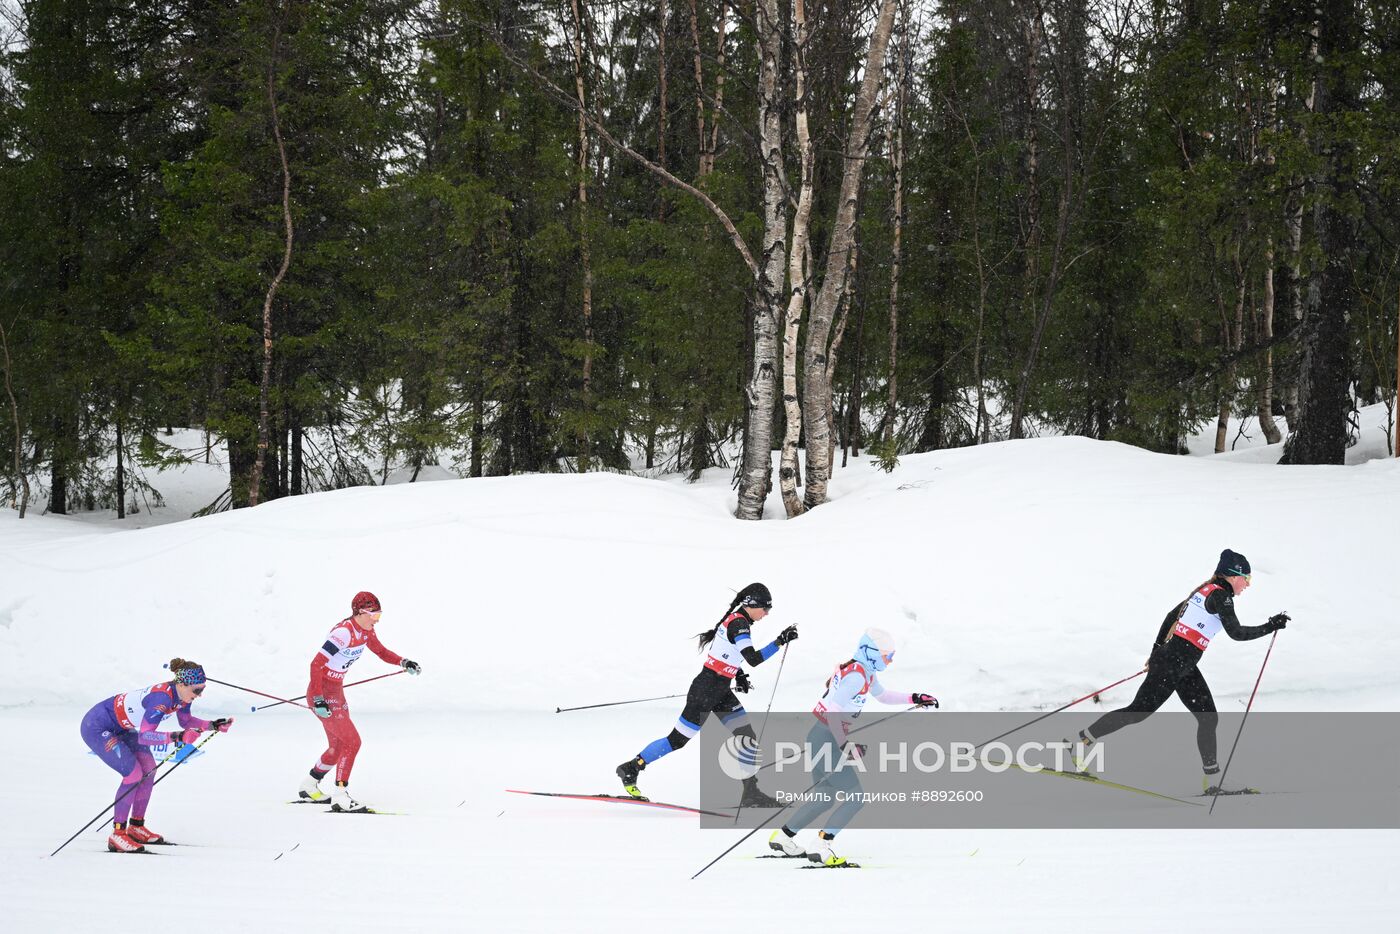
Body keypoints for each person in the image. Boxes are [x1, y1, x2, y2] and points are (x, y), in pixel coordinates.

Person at [1071, 549, 1289, 794]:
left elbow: (1170, 617)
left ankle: (1213, 781)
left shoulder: (1204, 591)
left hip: (1181, 665)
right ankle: (1079, 744)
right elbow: (1236, 633)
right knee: (1137, 712)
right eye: (1246, 578)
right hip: (1173, 664)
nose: (1247, 585)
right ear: (1233, 575)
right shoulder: (1221, 596)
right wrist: (1270, 626)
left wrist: (1155, 652)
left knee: (1208, 718)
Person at [615, 583, 798, 807]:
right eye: (765, 608)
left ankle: (751, 792)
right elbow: (753, 658)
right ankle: (632, 767)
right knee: (677, 741)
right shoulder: (739, 624)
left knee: (746, 736)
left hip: (720, 690)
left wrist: (737, 674)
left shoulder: (737, 619)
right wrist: (780, 641)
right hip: (705, 691)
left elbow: (726, 652)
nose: (767, 613)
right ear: (751, 605)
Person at [768, 628, 938, 867]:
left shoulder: (865, 672)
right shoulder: (857, 676)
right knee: (857, 796)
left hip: (820, 736)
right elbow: (834, 711)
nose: (890, 660)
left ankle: (783, 838)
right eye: (887, 655)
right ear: (871, 653)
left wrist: (915, 697)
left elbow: (884, 696)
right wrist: (845, 745)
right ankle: (822, 845)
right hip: (826, 738)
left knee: (826, 796)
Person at [79, 657, 233, 853]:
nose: (200, 695)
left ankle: (136, 826)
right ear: (182, 684)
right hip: (97, 727)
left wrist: (213, 725)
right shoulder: (161, 699)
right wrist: (179, 737)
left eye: (202, 689)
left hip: (121, 727)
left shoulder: (182, 695)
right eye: (197, 690)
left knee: (149, 770)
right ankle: (117, 835)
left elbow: (185, 721)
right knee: (133, 774)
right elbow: (145, 736)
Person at [298, 591, 421, 812]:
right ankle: (341, 796)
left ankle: (309, 786)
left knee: (337, 748)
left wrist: (403, 661)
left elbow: (381, 652)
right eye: (374, 615)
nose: (376, 620)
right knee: (353, 742)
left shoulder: (366, 631)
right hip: (323, 693)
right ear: (360, 612)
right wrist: (318, 700)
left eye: (379, 615)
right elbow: (316, 665)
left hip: (335, 691)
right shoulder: (343, 634)